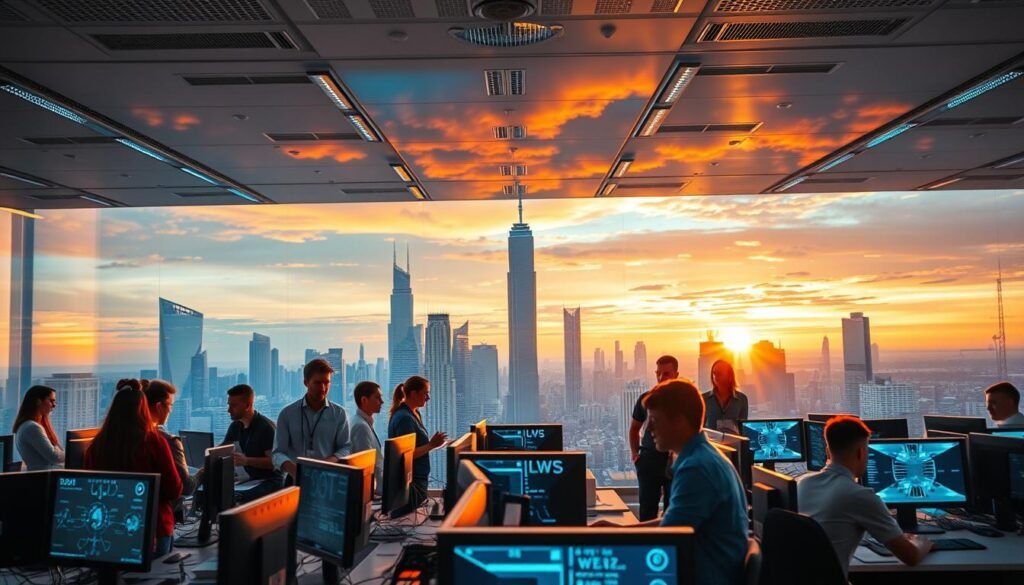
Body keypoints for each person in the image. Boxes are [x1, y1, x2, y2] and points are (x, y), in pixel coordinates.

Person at [597, 379, 748, 585]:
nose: (648, 429)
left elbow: (668, 538)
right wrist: (620, 531)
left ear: (679, 420)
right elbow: (674, 523)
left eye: (655, 420)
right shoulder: (702, 456)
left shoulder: (696, 468)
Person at [797, 416, 931, 576]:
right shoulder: (859, 496)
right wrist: (923, 542)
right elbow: (911, 556)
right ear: (861, 453)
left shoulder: (802, 483)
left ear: (827, 451)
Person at [85, 382, 183, 556]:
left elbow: (90, 489)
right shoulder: (153, 442)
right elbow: (174, 489)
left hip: (109, 528)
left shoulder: (96, 447)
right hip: (154, 529)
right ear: (143, 409)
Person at [272, 359, 352, 481]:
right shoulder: (287, 414)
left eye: (327, 382)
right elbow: (277, 453)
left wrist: (328, 462)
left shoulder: (339, 414)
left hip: (328, 478)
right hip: (295, 479)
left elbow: (346, 448)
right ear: (306, 382)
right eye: (317, 383)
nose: (323, 388)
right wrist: (294, 470)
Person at [628, 354, 679, 521]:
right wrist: (636, 454)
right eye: (658, 373)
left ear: (676, 375)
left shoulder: (683, 402)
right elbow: (634, 428)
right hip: (649, 461)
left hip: (676, 462)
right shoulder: (645, 399)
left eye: (666, 373)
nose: (660, 377)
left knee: (673, 511)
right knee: (647, 511)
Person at [388, 376, 447, 514]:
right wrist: (431, 445)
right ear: (413, 393)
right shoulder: (404, 419)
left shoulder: (413, 413)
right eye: (425, 393)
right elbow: (406, 455)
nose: (428, 397)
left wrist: (436, 444)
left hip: (418, 482)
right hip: (411, 485)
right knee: (409, 520)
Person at [221, 384, 284, 502]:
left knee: (236, 497)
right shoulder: (235, 426)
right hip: (249, 480)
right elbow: (222, 449)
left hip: (269, 482)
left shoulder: (266, 428)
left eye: (233, 405)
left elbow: (275, 463)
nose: (229, 410)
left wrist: (246, 461)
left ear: (248, 405)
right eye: (229, 405)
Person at [144, 380, 196, 497]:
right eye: (170, 405)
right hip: (162, 512)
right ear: (159, 406)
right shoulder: (165, 441)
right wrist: (204, 472)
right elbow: (185, 487)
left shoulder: (111, 438)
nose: (171, 411)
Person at [13, 385, 65, 471]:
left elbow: (59, 451)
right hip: (43, 479)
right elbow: (54, 456)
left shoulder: (32, 425)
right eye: (51, 401)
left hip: (44, 477)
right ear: (38, 401)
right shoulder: (32, 428)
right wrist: (73, 453)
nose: (54, 405)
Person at [350, 381, 384, 496]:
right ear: (364, 400)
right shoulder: (361, 427)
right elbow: (366, 468)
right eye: (378, 398)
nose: (382, 402)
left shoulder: (362, 422)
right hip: (371, 494)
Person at [702, 359, 749, 434]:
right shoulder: (704, 399)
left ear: (729, 375)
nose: (715, 376)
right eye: (714, 373)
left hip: (734, 444)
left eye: (719, 373)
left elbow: (743, 429)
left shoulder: (742, 399)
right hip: (711, 444)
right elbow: (699, 428)